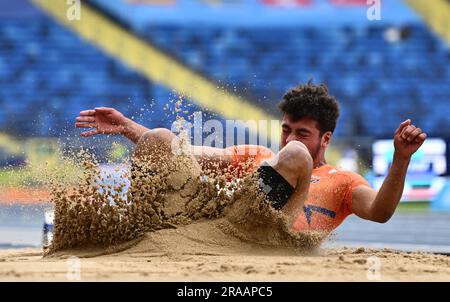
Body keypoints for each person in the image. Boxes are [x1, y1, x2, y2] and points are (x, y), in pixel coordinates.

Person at [75, 82, 427, 233]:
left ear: (326, 139)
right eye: (286, 129)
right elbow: (182, 153)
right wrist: (126, 127)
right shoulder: (257, 156)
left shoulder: (344, 181)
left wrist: (400, 159)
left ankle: (253, 219)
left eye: (302, 133)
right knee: (161, 137)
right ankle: (134, 231)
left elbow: (380, 213)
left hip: (275, 244)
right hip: (224, 230)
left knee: (293, 157)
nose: (290, 138)